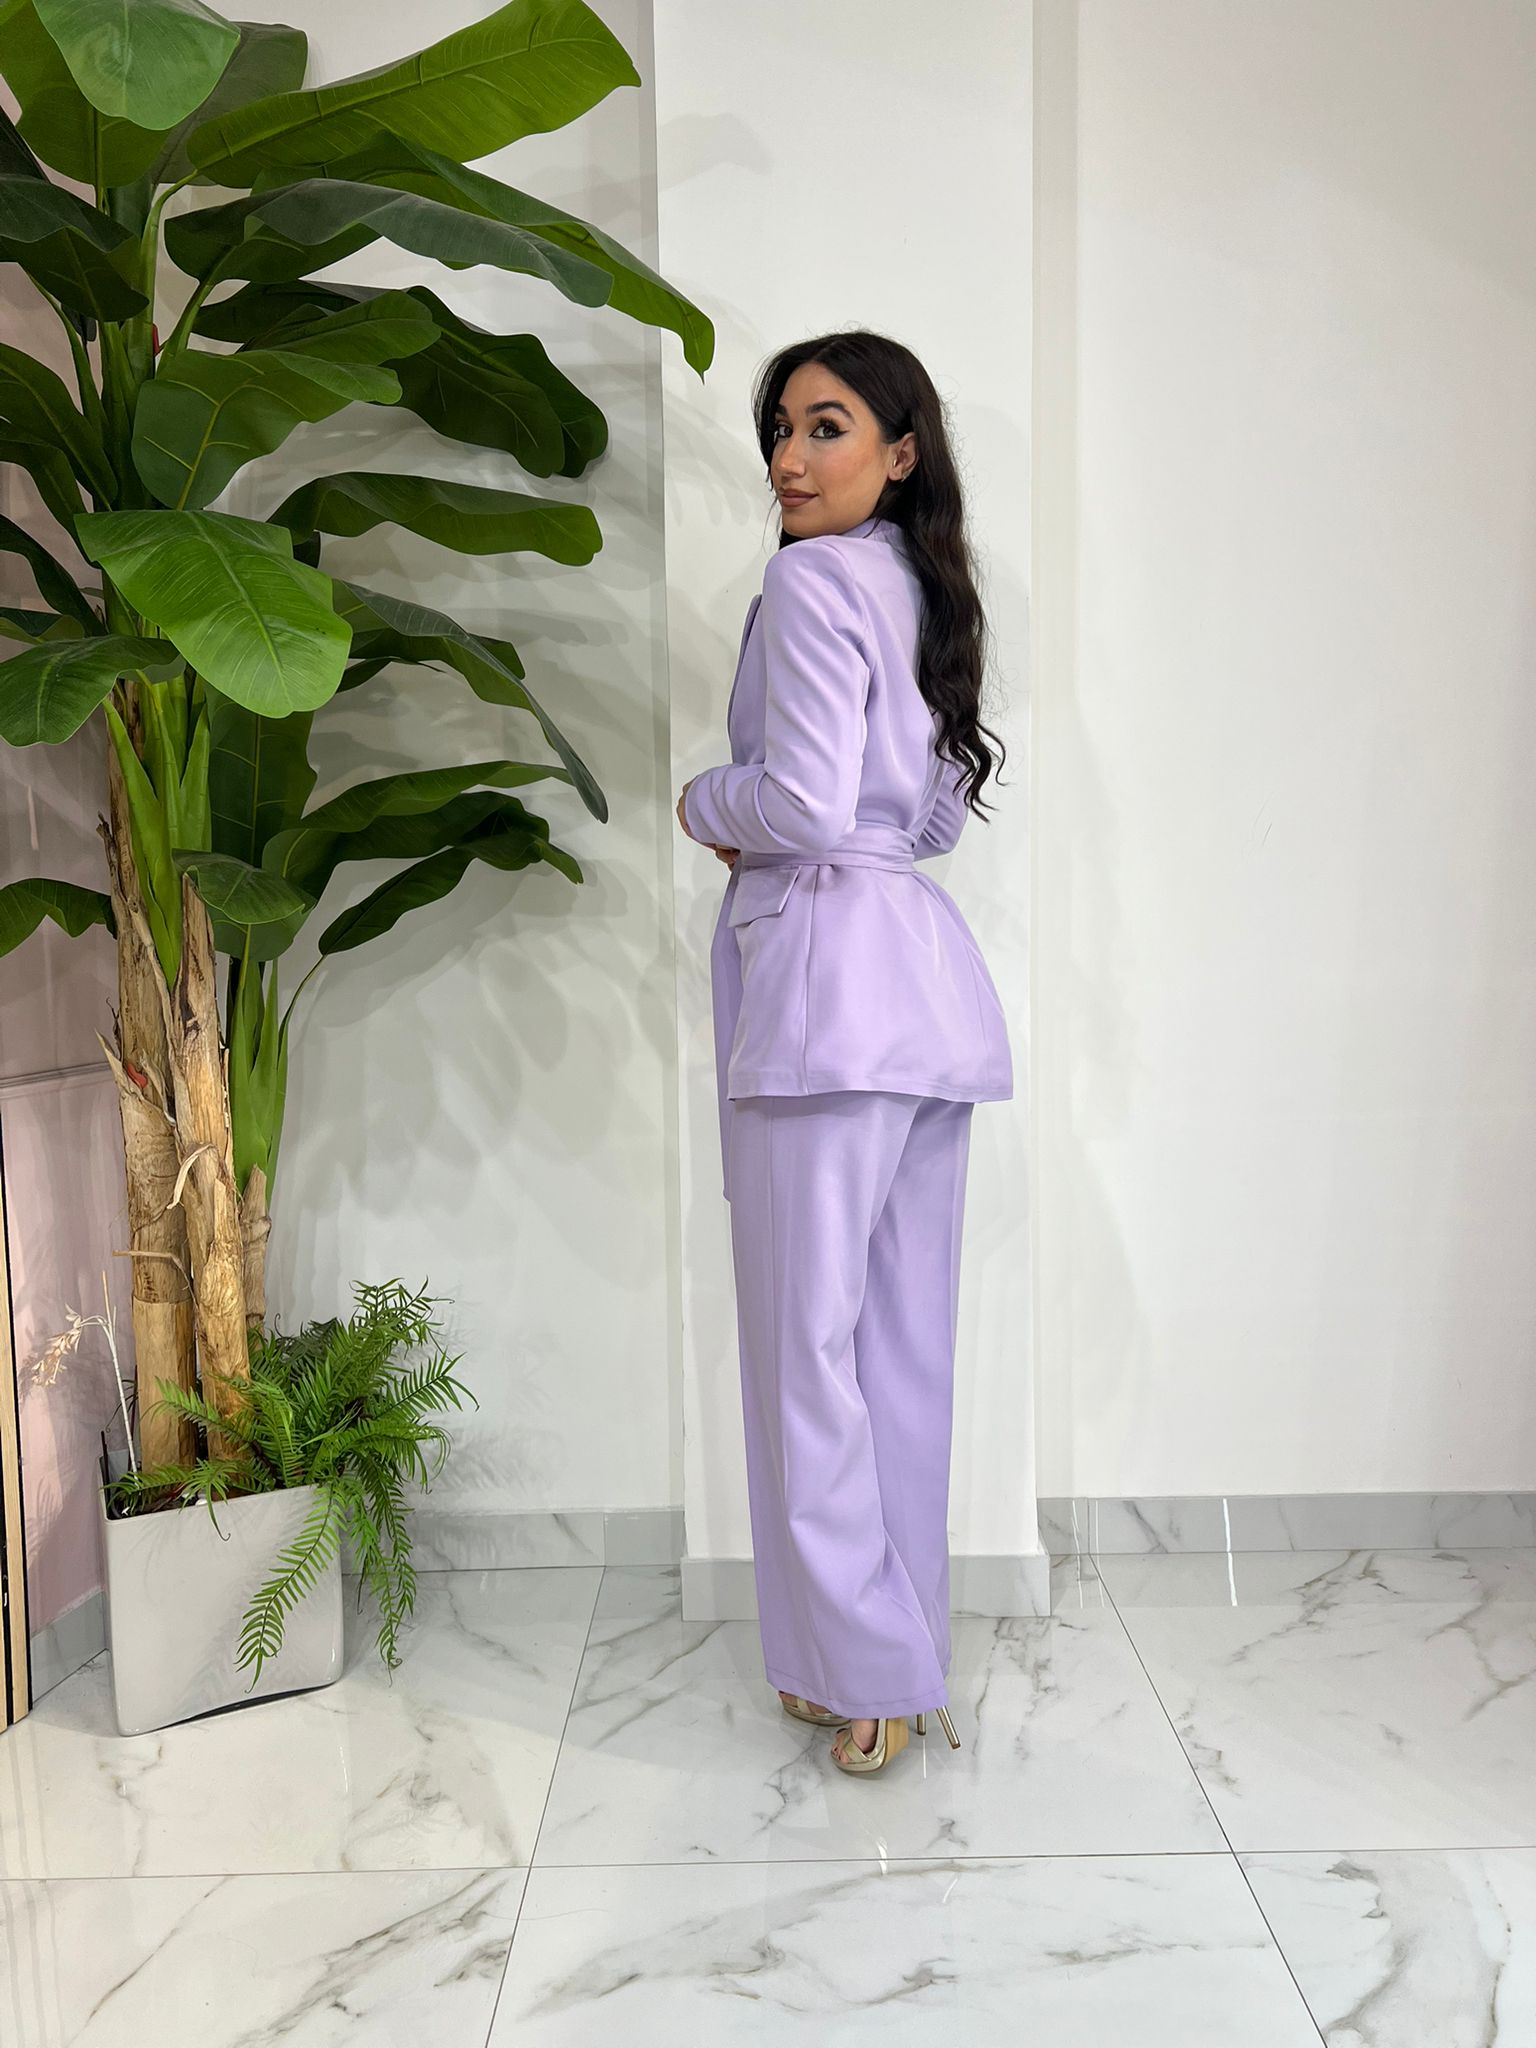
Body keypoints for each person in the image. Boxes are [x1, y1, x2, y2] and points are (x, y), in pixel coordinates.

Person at [677, 330, 1013, 1777]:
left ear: (899, 448)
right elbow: (925, 823)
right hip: (922, 996)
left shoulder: (813, 582)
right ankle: (896, 1654)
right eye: (780, 430)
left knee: (805, 1351)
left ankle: (863, 1671)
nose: (789, 459)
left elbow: (805, 804)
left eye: (826, 427)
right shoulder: (923, 591)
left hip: (819, 1002)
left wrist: (705, 801)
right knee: (900, 1347)